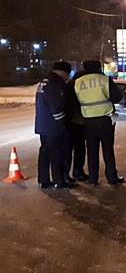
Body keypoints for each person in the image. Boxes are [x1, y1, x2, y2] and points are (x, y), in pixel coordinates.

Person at [74, 60, 124, 186]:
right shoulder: (105, 79)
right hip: (105, 118)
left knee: (92, 150)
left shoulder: (79, 81)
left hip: (88, 119)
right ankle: (112, 178)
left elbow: (74, 101)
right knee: (108, 150)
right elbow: (117, 97)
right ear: (99, 67)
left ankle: (93, 178)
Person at [35, 61, 78, 189]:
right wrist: (62, 124)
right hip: (53, 126)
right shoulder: (55, 84)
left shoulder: (44, 82)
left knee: (45, 153)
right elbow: (57, 107)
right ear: (61, 72)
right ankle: (59, 181)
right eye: (66, 74)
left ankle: (43, 180)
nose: (67, 77)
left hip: (43, 125)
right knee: (57, 154)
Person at [64, 70, 89, 181]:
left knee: (69, 149)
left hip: (70, 122)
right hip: (77, 121)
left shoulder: (67, 86)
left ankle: (67, 173)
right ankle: (77, 171)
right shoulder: (78, 87)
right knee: (78, 148)